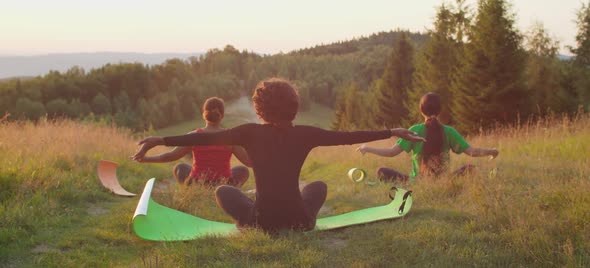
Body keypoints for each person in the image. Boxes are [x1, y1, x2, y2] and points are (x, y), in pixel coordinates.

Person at [131, 78, 425, 233]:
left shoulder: (248, 132)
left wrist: (160, 140)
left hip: (262, 221)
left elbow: (204, 137)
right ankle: (301, 214)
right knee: (318, 186)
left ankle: (249, 219)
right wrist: (392, 131)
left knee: (223, 191)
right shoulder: (306, 133)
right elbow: (349, 137)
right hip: (300, 220)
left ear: (259, 109)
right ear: (294, 107)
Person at [357, 92, 499, 182]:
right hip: (444, 181)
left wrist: (367, 148)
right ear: (439, 110)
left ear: (421, 110)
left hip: (417, 182)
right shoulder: (449, 131)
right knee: (470, 168)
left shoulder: (414, 130)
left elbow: (392, 152)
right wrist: (492, 151)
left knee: (381, 172)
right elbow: (472, 152)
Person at [132, 97, 251, 187]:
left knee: (180, 167)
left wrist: (145, 159)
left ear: (204, 115)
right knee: (243, 170)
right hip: (223, 185)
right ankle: (229, 191)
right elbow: (248, 162)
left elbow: (170, 156)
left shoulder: (194, 136)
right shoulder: (230, 138)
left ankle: (190, 190)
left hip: (197, 183)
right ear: (222, 115)